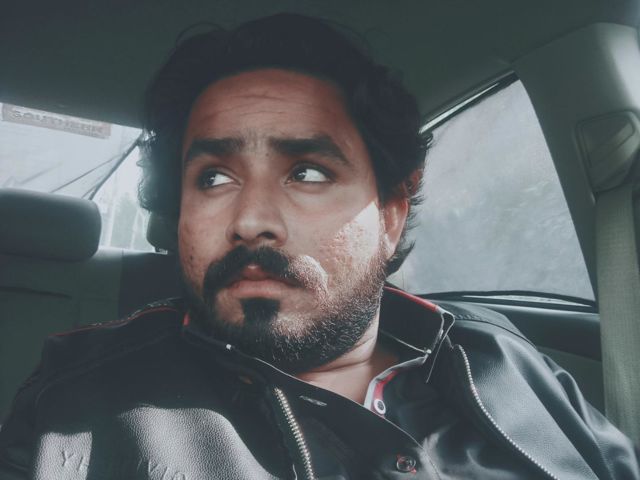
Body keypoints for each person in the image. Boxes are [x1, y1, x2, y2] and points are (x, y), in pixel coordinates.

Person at [0, 13, 638, 480]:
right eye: (213, 178)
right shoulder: (78, 402)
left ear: (391, 213)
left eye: (307, 172)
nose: (251, 221)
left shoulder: (503, 357)